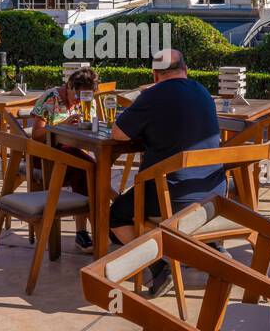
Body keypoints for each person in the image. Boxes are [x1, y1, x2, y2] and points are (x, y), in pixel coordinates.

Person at [109, 48, 225, 295]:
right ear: (186, 69)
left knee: (116, 215)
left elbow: (119, 134)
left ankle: (160, 265)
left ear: (155, 74)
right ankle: (208, 244)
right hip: (213, 192)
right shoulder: (203, 91)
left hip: (173, 195)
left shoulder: (153, 95)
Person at [28, 65, 99, 249]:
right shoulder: (51, 98)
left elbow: (90, 126)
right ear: (69, 87)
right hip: (44, 155)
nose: (79, 101)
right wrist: (62, 125)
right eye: (78, 95)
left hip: (71, 154)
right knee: (88, 168)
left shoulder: (88, 100)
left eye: (86, 96)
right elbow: (36, 134)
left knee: (85, 166)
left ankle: (87, 231)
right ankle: (98, 226)